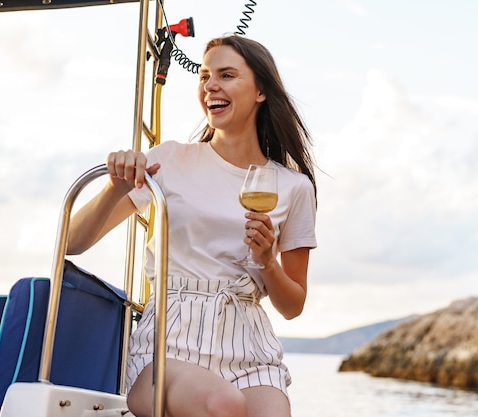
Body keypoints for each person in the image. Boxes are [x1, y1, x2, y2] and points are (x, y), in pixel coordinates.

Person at [67, 35, 317, 417]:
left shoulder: (294, 187)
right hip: (170, 342)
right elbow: (73, 242)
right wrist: (114, 187)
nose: (211, 85)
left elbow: (293, 305)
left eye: (227, 75)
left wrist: (267, 262)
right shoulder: (168, 160)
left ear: (261, 90)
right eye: (204, 76)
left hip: (248, 347)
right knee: (222, 404)